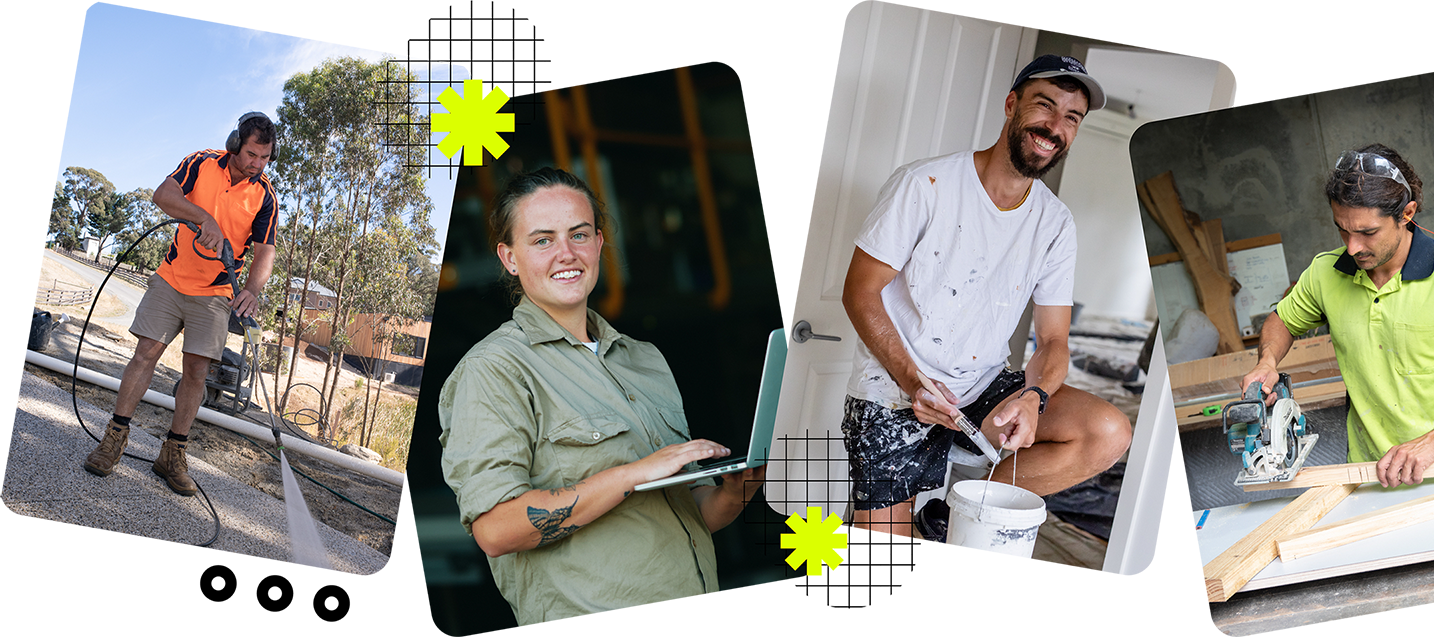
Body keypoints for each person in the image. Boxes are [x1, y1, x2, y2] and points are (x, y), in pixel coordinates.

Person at [437, 168, 762, 634]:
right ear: (509, 258)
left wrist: (734, 493)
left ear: (599, 242)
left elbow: (676, 523)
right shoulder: (494, 371)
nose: (566, 254)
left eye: (579, 234)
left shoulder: (643, 360)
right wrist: (631, 475)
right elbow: (496, 530)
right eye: (543, 240)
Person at [841, 54, 1133, 540]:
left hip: (981, 388)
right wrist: (914, 383)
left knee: (1108, 432)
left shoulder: (1055, 224)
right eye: (1045, 106)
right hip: (893, 391)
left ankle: (960, 515)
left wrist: (1034, 398)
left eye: (1072, 118)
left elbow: (1053, 339)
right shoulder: (926, 185)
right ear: (1011, 104)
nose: (1055, 126)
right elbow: (860, 292)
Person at [1240, 144, 1434, 487]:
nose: (1352, 248)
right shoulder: (1325, 273)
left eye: (1368, 232)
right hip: (1364, 474)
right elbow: (1283, 320)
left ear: (1407, 213)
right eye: (1342, 229)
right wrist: (1267, 362)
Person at [83, 112, 279, 496]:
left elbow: (265, 251)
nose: (257, 164)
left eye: (265, 157)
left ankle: (172, 454)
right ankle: (114, 439)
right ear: (235, 145)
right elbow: (163, 195)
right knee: (145, 354)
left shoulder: (264, 196)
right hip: (172, 280)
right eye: (253, 154)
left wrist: (252, 290)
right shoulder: (201, 162)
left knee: (196, 371)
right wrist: (202, 216)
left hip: (217, 292)